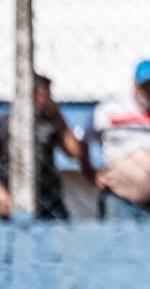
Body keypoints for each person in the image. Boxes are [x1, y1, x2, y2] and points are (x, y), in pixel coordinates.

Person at [82, 60, 150, 221]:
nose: (149, 91)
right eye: (144, 86)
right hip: (121, 200)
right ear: (135, 85)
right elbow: (82, 139)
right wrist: (90, 172)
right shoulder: (111, 111)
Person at [0, 74, 87, 221]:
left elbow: (76, 152)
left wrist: (58, 119)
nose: (44, 100)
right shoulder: (6, 124)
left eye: (47, 95)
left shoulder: (51, 124)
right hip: (12, 196)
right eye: (40, 94)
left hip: (48, 199)